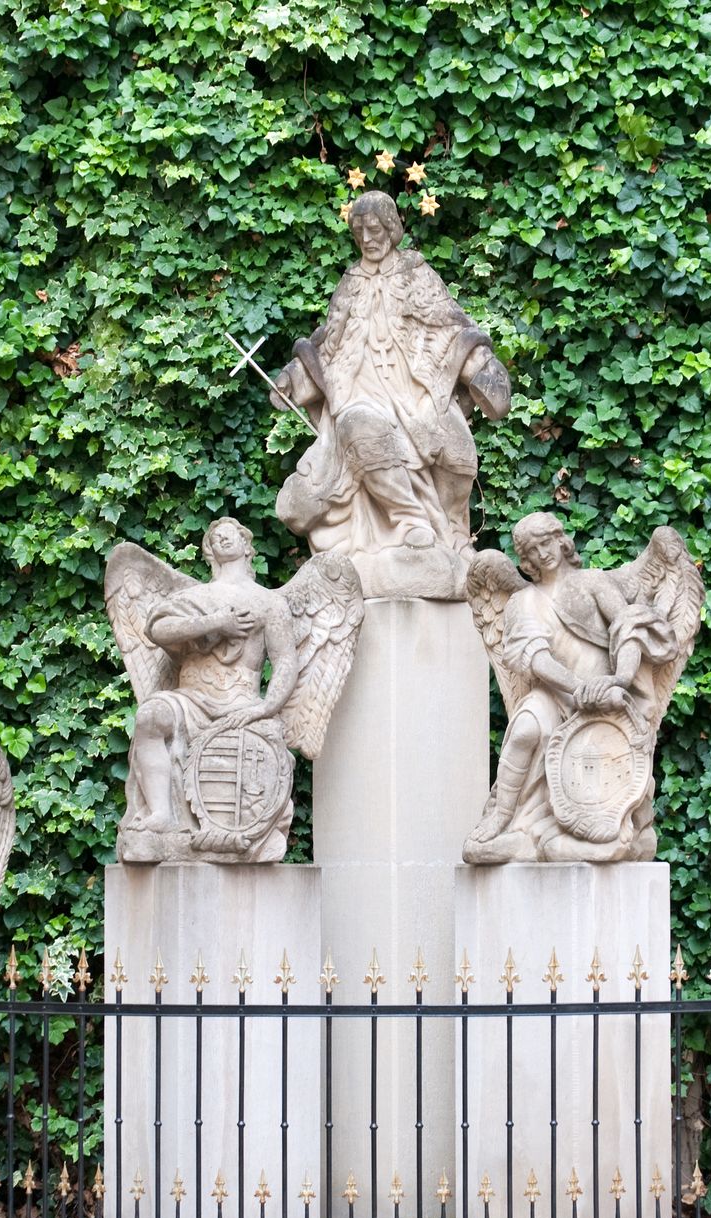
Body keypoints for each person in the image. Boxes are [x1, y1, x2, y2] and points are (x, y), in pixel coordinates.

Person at [271, 191, 510, 587]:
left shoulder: (416, 273)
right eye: (360, 231)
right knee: (359, 428)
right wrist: (292, 380)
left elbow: (449, 326)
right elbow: (328, 346)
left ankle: (450, 531)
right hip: (359, 393)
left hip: (415, 389)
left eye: (376, 228)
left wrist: (480, 366)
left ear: (393, 228)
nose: (368, 238)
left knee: (453, 446)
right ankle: (410, 522)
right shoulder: (350, 283)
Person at [465, 513, 682, 862]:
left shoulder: (592, 582)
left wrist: (621, 680)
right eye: (532, 550)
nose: (542, 553)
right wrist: (577, 687)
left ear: (561, 540)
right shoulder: (524, 602)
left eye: (546, 542)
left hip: (607, 699)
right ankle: (501, 817)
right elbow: (534, 657)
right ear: (526, 560)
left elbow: (629, 628)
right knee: (524, 727)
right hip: (557, 695)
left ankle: (616, 827)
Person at [121, 518, 296, 852]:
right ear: (209, 551)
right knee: (150, 717)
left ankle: (251, 832)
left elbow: (286, 661)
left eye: (232, 534)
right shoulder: (194, 597)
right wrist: (216, 622)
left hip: (242, 703)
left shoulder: (270, 603)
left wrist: (266, 707)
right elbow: (157, 630)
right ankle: (160, 814)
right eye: (216, 536)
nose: (223, 537)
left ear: (248, 547)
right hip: (191, 699)